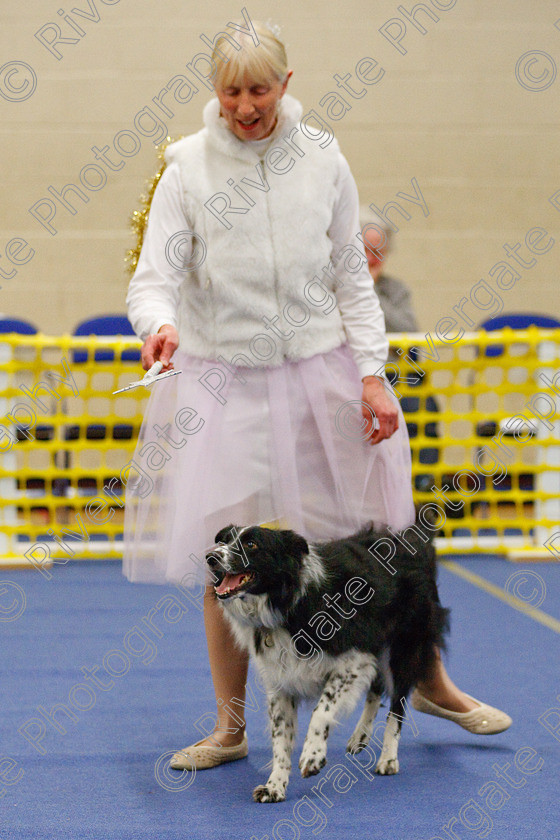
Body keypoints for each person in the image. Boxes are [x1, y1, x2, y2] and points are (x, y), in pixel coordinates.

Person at [123, 21, 511, 772]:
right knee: (226, 561)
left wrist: (372, 372)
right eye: (230, 91)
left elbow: (351, 279)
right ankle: (231, 728)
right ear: (215, 91)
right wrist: (159, 326)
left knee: (375, 545)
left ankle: (430, 683)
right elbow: (152, 280)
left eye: (259, 90)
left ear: (287, 84)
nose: (244, 106)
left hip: (321, 377)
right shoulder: (186, 170)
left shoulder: (324, 160)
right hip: (224, 385)